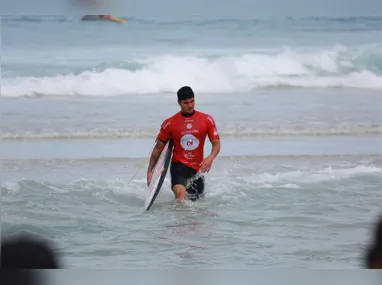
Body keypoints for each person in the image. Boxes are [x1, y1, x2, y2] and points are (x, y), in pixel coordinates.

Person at [147, 86, 220, 201]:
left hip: (198, 169)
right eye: (186, 103)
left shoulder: (207, 120)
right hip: (178, 166)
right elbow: (158, 148)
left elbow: (216, 144)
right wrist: (150, 171)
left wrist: (210, 158)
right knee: (181, 197)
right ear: (179, 103)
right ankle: (178, 217)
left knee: (197, 206)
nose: (190, 105)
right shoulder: (170, 123)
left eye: (192, 101)